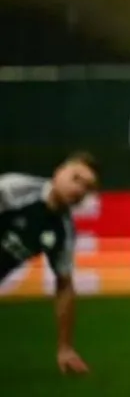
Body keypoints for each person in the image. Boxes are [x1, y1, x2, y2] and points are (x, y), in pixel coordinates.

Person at [0, 153, 98, 376]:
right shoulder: (13, 189)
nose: (79, 189)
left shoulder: (63, 231)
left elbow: (64, 286)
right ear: (58, 172)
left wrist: (65, 347)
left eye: (87, 187)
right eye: (76, 178)